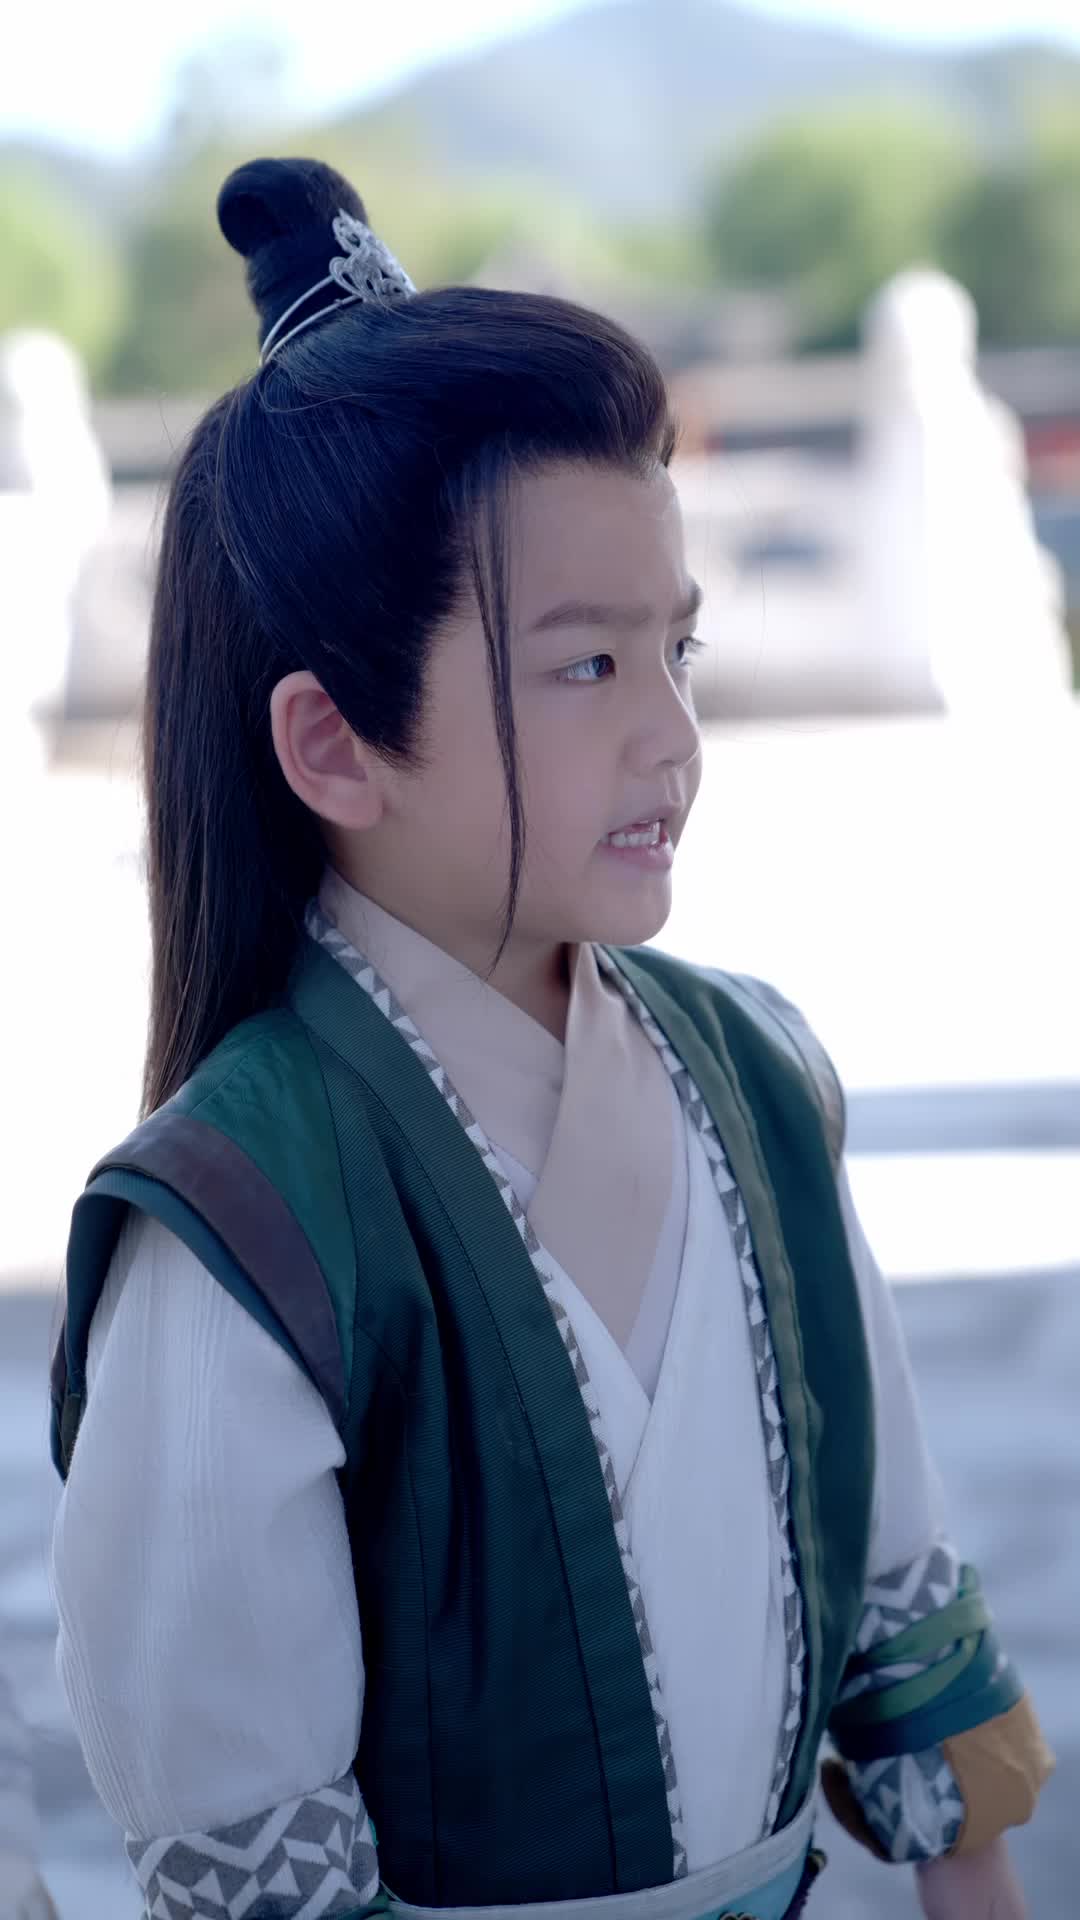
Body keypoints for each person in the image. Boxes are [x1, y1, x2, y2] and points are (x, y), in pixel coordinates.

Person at [48, 157, 1052, 1920]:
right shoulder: (237, 1226)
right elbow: (251, 1825)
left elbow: (898, 1577)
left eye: (680, 650)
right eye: (587, 667)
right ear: (334, 745)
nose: (672, 735)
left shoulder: (758, 1077)